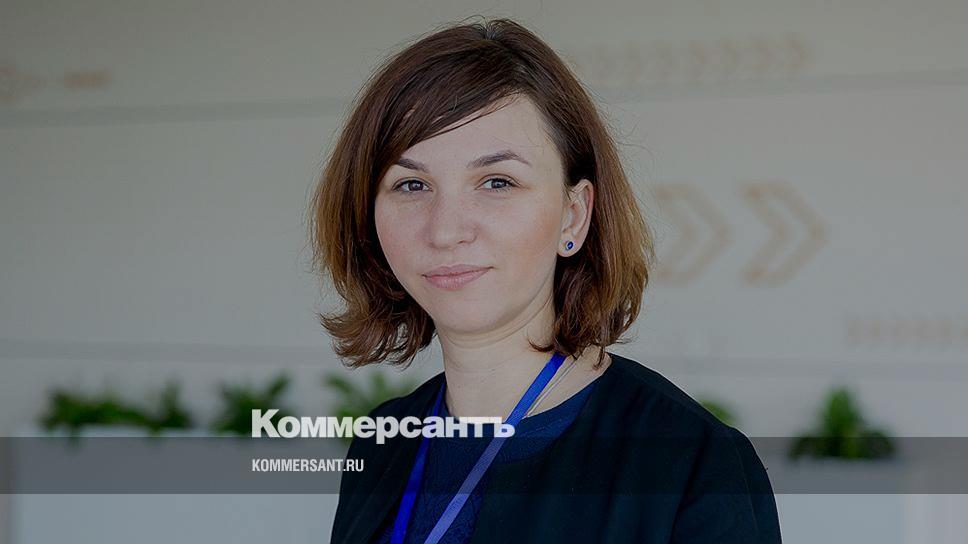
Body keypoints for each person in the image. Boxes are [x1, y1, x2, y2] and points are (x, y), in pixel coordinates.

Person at [307, 17, 781, 544]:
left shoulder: (693, 465)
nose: (445, 230)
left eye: (497, 182)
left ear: (573, 216)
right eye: (412, 184)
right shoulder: (382, 446)